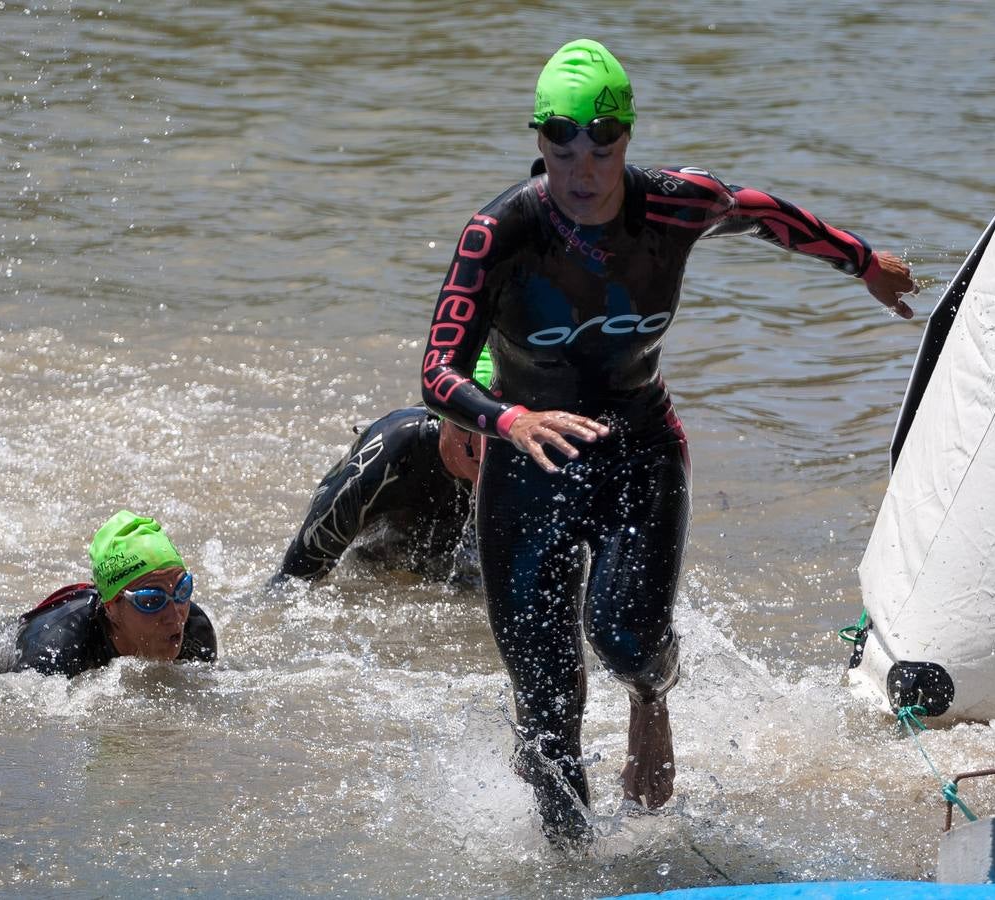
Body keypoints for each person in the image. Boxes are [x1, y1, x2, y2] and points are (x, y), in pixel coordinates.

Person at [419, 39, 917, 843]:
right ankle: (574, 877)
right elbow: (437, 370)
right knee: (548, 714)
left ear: (627, 137)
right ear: (539, 140)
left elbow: (759, 212)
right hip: (528, 463)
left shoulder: (675, 205)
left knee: (625, 643)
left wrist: (860, 261)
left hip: (639, 450)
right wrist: (506, 419)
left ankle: (652, 701)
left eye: (602, 148)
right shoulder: (499, 232)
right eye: (560, 148)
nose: (581, 170)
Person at [274, 349, 495, 585]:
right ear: (445, 418)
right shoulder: (392, 450)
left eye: (496, 432)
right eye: (470, 427)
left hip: (443, 559)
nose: (485, 447)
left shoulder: (515, 458)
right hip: (374, 555)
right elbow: (292, 580)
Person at [0, 510, 217, 678]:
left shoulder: (196, 632)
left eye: (182, 589)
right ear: (111, 607)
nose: (175, 615)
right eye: (151, 600)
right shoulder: (52, 650)